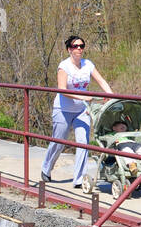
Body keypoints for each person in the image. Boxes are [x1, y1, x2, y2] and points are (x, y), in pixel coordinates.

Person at [41, 35, 113, 187]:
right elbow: (62, 90)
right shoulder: (64, 66)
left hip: (82, 110)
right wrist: (82, 96)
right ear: (69, 50)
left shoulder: (88, 64)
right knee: (58, 143)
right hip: (63, 109)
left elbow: (101, 81)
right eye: (75, 46)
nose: (79, 49)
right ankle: (46, 168)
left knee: (83, 143)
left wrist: (111, 97)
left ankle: (78, 179)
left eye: (81, 46)